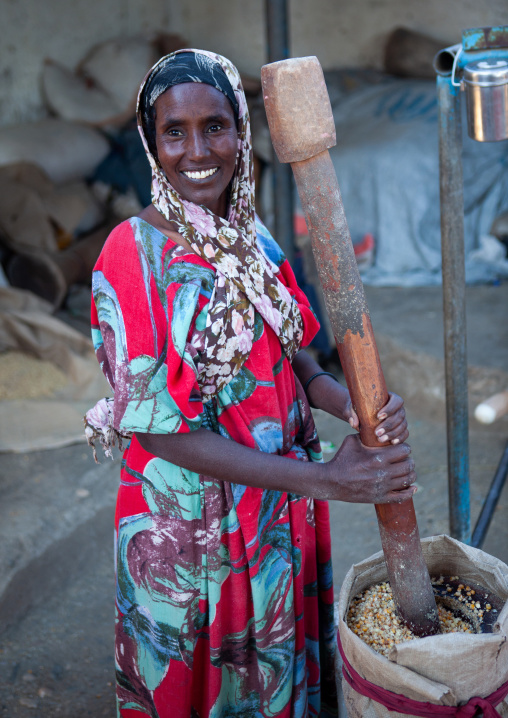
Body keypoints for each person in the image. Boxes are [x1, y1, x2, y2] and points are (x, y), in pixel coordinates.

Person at [85, 49, 416, 718]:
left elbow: (302, 357)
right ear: (151, 143)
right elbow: (156, 431)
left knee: (274, 669)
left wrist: (348, 404)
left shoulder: (253, 239)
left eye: (217, 126)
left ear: (243, 132)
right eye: (175, 131)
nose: (197, 149)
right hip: (192, 531)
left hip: (273, 508)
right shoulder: (134, 252)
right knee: (209, 685)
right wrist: (327, 480)